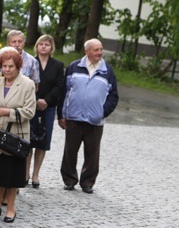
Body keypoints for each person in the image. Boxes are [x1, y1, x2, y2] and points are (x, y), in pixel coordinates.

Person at [58, 38, 118, 194]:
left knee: (92, 153)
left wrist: (102, 112)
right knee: (70, 150)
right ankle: (69, 180)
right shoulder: (74, 67)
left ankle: (88, 182)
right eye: (96, 50)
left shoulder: (108, 71)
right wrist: (61, 114)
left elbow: (113, 96)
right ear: (87, 51)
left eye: (101, 49)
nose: (100, 53)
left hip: (95, 121)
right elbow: (64, 92)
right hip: (74, 118)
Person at [0, 49, 36, 223]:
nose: (6, 70)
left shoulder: (27, 84)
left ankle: (11, 208)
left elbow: (30, 111)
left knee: (12, 175)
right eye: (4, 66)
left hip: (16, 135)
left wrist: (8, 112)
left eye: (10, 66)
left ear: (18, 66)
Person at [26, 35, 64, 188]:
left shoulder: (58, 65)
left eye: (46, 44)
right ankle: (25, 173)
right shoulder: (30, 62)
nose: (43, 47)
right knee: (28, 141)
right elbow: (26, 83)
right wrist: (35, 100)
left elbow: (59, 86)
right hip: (30, 104)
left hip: (49, 107)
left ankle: (36, 174)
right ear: (36, 46)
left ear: (51, 47)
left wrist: (46, 100)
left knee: (42, 141)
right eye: (40, 44)